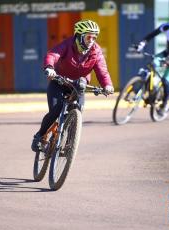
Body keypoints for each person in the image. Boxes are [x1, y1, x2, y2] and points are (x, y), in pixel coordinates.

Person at [31, 19, 114, 152]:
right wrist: (49, 67)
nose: (91, 40)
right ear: (80, 36)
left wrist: (107, 85)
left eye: (94, 37)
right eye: (88, 37)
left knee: (77, 113)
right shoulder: (67, 44)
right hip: (59, 82)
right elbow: (53, 54)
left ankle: (69, 146)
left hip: (78, 86)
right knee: (56, 110)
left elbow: (102, 71)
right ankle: (39, 136)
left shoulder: (96, 51)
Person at [136, 6, 169, 115]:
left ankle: (164, 105)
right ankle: (152, 91)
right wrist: (142, 43)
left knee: (166, 80)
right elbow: (152, 34)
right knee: (152, 65)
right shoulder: (167, 26)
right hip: (167, 52)